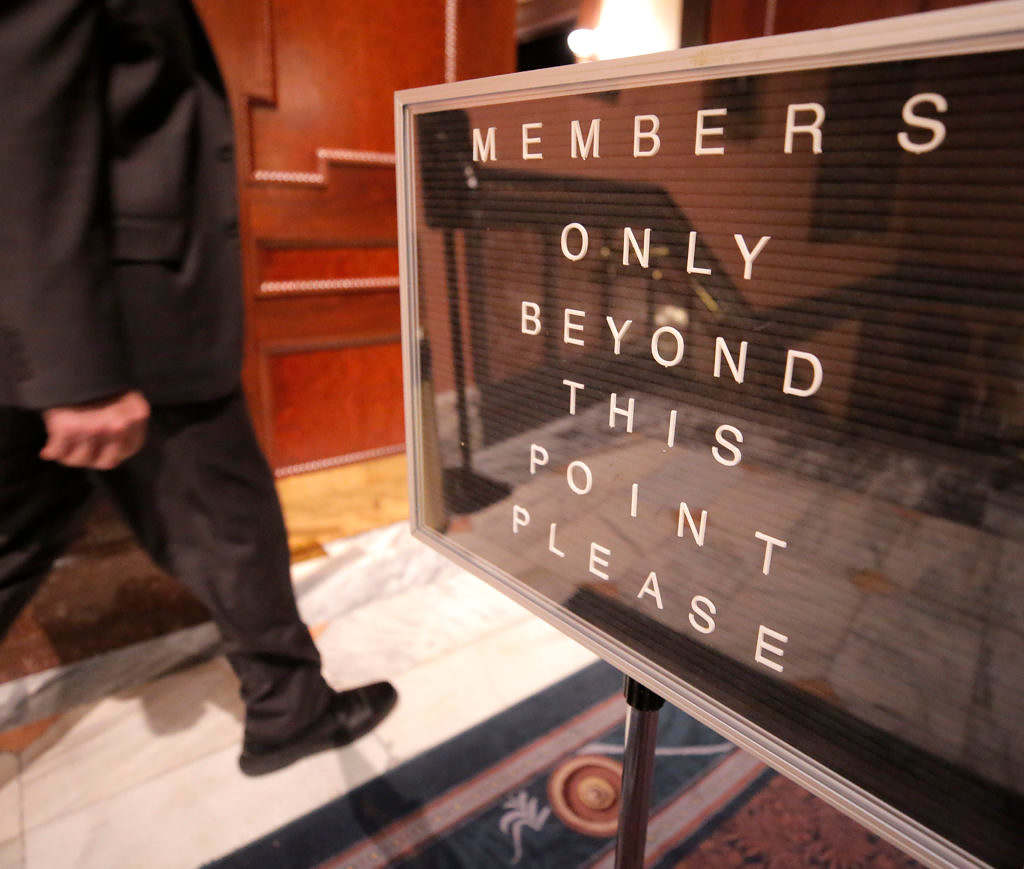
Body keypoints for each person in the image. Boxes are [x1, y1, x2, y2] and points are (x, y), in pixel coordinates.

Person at [0, 0, 396, 776]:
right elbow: (25, 118)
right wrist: (78, 370)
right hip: (123, 320)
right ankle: (290, 709)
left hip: (66, 319)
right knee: (230, 520)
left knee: (22, 531)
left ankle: (289, 705)